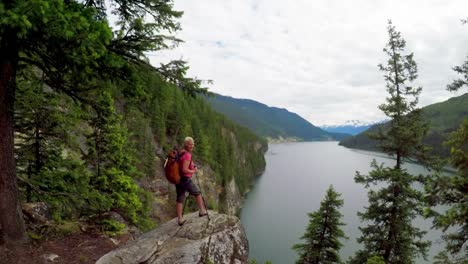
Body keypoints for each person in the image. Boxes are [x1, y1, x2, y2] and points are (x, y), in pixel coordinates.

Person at [175, 137, 208, 226]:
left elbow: (185, 164)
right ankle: (202, 211)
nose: (192, 145)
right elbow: (185, 169)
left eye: (193, 144)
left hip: (178, 179)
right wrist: (193, 171)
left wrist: (192, 166)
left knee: (180, 198)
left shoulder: (181, 152)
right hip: (185, 179)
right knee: (197, 192)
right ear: (186, 144)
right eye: (190, 144)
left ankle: (180, 219)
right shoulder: (187, 155)